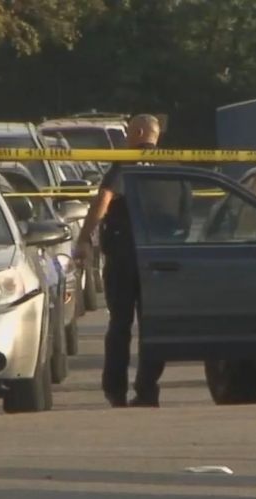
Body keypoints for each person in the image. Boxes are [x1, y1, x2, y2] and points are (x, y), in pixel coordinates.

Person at [74, 114, 165, 408]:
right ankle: (148, 389)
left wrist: (85, 237)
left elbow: (104, 199)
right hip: (158, 257)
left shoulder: (125, 162)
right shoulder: (169, 162)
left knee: (120, 325)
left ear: (138, 132)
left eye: (128, 132)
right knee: (153, 326)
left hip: (125, 255)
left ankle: (116, 390)